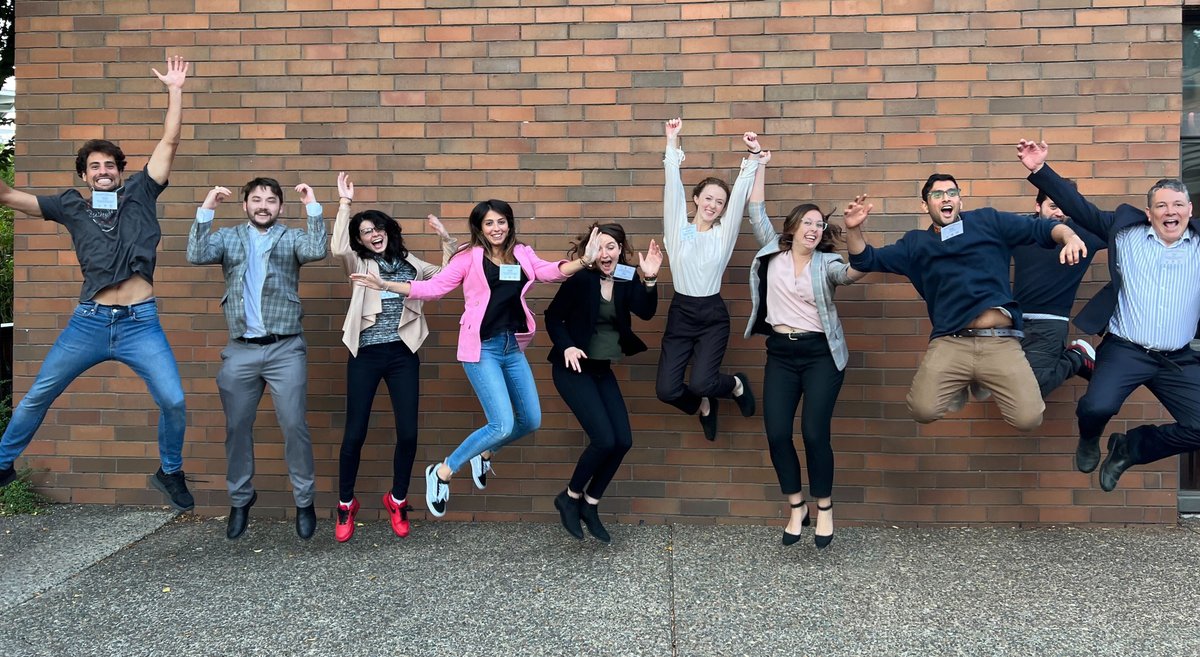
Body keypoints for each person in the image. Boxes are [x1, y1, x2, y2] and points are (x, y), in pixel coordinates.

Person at [0, 57, 194, 510]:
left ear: (120, 170)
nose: (103, 170)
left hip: (140, 323)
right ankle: (3, 463)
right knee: (37, 396)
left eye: (110, 164)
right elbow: (7, 195)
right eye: (94, 166)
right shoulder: (70, 206)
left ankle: (170, 471)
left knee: (174, 400)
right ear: (84, 175)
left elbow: (171, 139)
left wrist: (176, 90)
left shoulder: (143, 191)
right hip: (89, 323)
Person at [351, 199, 599, 518]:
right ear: (480, 228)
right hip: (481, 349)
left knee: (530, 420)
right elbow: (435, 288)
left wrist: (583, 261)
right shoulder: (468, 257)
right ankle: (442, 472)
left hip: (512, 347)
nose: (497, 228)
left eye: (501, 222)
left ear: (510, 224)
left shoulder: (521, 253)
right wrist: (386, 284)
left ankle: (484, 453)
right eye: (489, 223)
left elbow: (550, 272)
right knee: (501, 423)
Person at [1020, 139, 1200, 490]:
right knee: (1095, 408)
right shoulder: (1124, 231)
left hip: (1177, 358)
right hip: (1126, 349)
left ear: (1190, 210)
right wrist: (1040, 170)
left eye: (1177, 204)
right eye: (1161, 205)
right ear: (1148, 212)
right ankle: (1090, 439)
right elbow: (1079, 208)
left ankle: (1130, 448)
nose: (1169, 211)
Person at [845, 172, 1088, 431]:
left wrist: (1069, 237)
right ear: (925, 206)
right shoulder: (915, 244)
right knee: (922, 410)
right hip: (952, 341)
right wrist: (853, 229)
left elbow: (1043, 228)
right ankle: (966, 379)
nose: (946, 198)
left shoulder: (987, 222)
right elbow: (865, 260)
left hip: (999, 341)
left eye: (952, 193)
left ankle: (982, 377)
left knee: (1028, 419)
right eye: (937, 195)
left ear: (960, 201)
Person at [186, 178, 328, 540]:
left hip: (285, 348)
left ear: (280, 207)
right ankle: (240, 499)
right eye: (256, 200)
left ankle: (304, 500)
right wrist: (208, 206)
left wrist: (313, 205)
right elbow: (196, 253)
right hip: (240, 349)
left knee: (294, 425)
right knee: (236, 429)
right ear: (245, 205)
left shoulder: (291, 237)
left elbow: (316, 249)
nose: (263, 206)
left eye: (270, 201)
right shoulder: (229, 237)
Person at [744, 147, 867, 549]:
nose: (814, 229)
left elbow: (851, 273)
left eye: (820, 225)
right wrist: (759, 163)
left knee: (814, 432)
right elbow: (755, 208)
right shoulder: (772, 251)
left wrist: (853, 232)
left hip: (820, 357)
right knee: (777, 433)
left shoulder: (826, 263)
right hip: (780, 353)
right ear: (793, 227)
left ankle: (825, 507)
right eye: (808, 223)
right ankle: (797, 506)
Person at [331, 172, 456, 542]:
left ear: (388, 230)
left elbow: (445, 279)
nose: (373, 233)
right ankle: (345, 504)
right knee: (355, 433)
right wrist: (345, 204)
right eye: (365, 231)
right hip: (367, 354)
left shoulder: (408, 263)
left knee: (409, 433)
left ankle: (397, 499)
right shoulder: (357, 263)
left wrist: (446, 240)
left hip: (402, 355)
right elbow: (338, 247)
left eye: (377, 227)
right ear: (360, 239)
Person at [543, 223, 661, 543]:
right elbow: (553, 316)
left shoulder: (624, 278)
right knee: (604, 440)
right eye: (601, 247)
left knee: (622, 440)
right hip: (572, 369)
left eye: (613, 247)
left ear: (621, 250)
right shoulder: (581, 278)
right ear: (591, 250)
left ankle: (590, 504)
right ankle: (569, 498)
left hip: (601, 370)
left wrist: (648, 277)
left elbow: (646, 311)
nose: (606, 253)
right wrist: (566, 344)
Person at [657, 119, 774, 440]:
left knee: (701, 382)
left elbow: (739, 197)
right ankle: (704, 406)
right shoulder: (678, 230)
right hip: (681, 313)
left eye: (719, 202)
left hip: (711, 315)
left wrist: (753, 156)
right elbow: (672, 187)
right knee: (667, 390)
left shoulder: (723, 234)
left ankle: (735, 384)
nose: (713, 205)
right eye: (708, 198)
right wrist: (672, 141)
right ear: (696, 199)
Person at [1009, 185, 1106, 403]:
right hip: (1014, 321)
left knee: (1032, 393)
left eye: (1064, 207)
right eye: (1053, 206)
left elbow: (1120, 228)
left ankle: (1076, 358)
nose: (1059, 212)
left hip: (1051, 323)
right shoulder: (1020, 228)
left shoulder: (1085, 233)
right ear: (1038, 206)